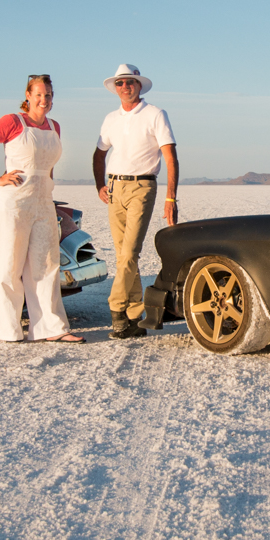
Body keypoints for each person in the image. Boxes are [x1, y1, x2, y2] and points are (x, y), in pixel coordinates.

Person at [0, 75, 84, 343]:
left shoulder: (55, 126)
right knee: (10, 265)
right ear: (28, 96)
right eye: (39, 94)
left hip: (43, 201)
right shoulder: (12, 121)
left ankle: (52, 329)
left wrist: (48, 188)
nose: (45, 100)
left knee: (46, 265)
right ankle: (11, 331)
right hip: (14, 203)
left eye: (49, 95)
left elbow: (48, 165)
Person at [91, 63, 179, 339]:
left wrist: (170, 197)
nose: (125, 87)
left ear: (139, 85)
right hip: (115, 188)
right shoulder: (110, 118)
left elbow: (170, 157)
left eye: (130, 82)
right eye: (120, 83)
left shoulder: (155, 114)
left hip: (142, 187)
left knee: (129, 253)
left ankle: (117, 311)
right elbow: (98, 154)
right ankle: (134, 317)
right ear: (115, 88)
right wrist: (99, 185)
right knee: (123, 257)